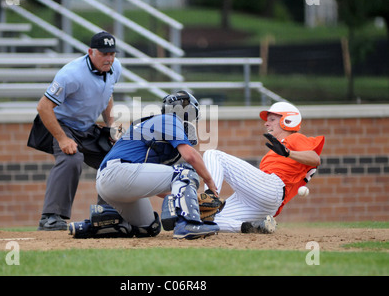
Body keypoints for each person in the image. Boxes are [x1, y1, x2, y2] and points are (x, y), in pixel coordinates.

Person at [68, 91, 221, 240]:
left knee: (148, 227)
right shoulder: (170, 120)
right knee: (186, 173)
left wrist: (187, 200)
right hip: (118, 173)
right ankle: (188, 224)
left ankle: (91, 226)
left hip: (110, 182)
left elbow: (153, 184)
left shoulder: (158, 126)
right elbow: (191, 156)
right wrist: (209, 181)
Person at [27, 31, 122, 231]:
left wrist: (111, 125)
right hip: (62, 124)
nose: (109, 58)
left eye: (112, 53)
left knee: (115, 159)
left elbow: (106, 95)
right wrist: (62, 139)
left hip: (86, 127)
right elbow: (43, 107)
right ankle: (50, 217)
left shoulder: (115, 68)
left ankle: (107, 214)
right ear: (90, 52)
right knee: (71, 158)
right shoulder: (71, 74)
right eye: (104, 54)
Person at [203, 102, 325, 233]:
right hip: (266, 204)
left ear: (288, 121)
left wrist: (288, 153)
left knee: (213, 154)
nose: (266, 124)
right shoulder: (277, 149)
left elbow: (315, 158)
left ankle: (210, 198)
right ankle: (252, 227)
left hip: (272, 188)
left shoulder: (294, 137)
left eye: (272, 120)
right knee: (205, 218)